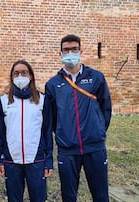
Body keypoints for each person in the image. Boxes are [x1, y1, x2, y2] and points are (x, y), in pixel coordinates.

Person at [45, 34, 112, 201]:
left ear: (81, 51)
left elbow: (106, 108)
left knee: (101, 195)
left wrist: (97, 131)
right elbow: (52, 117)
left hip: (95, 147)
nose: (70, 53)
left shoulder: (96, 77)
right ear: (60, 53)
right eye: (66, 50)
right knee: (68, 196)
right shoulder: (53, 84)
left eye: (74, 49)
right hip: (67, 149)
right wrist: (64, 133)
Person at [0, 60, 54, 202]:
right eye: (16, 73)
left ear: (31, 76)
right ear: (12, 77)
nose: (20, 75)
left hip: (36, 159)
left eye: (24, 72)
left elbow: (47, 131)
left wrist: (49, 159)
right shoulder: (3, 101)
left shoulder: (42, 100)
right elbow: (0, 134)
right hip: (11, 159)